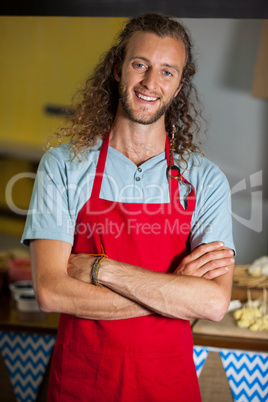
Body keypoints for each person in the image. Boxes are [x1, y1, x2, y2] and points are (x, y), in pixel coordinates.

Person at [22, 13, 236, 401]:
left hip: (167, 387)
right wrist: (173, 293)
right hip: (81, 384)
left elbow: (213, 302)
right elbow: (51, 292)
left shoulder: (205, 180)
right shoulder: (64, 166)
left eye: (167, 71)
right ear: (119, 68)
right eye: (141, 64)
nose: (151, 83)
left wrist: (101, 268)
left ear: (180, 85)